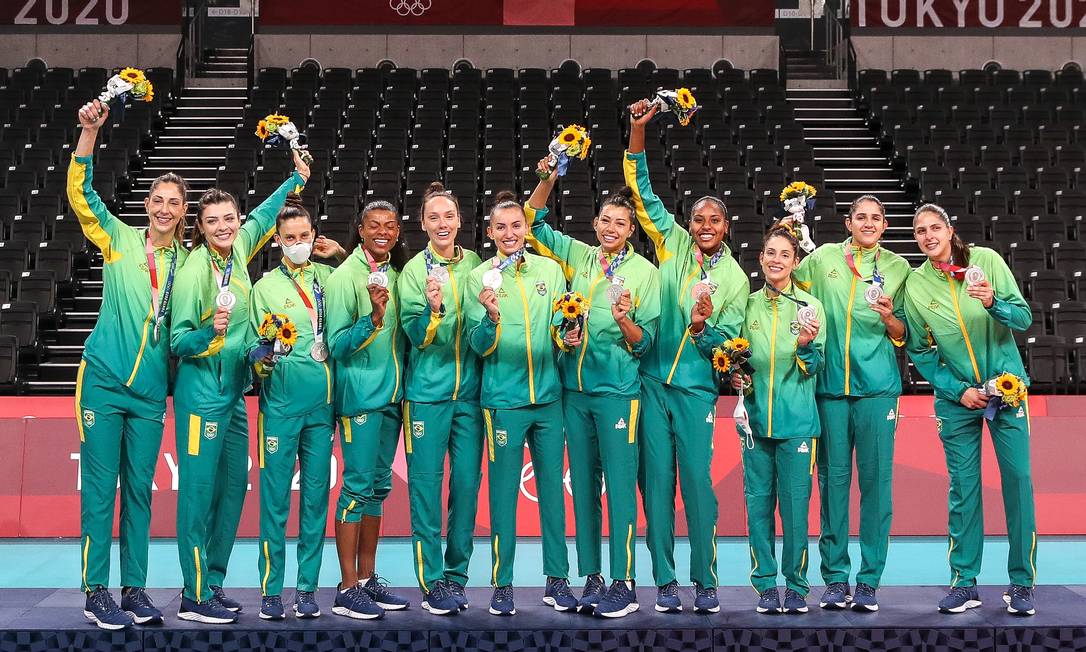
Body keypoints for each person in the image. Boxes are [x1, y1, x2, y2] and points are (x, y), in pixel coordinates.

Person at [170, 152, 310, 624]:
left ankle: (213, 583)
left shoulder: (240, 247)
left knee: (233, 491)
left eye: (230, 218)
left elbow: (266, 213)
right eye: (214, 221)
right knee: (197, 494)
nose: (225, 226)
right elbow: (177, 340)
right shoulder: (193, 269)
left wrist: (294, 178)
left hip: (233, 396)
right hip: (200, 397)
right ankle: (192, 595)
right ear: (201, 227)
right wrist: (211, 330)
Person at [624, 99, 749, 614]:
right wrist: (637, 130)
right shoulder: (671, 244)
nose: (704, 224)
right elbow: (641, 190)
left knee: (698, 488)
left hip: (696, 392)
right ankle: (665, 583)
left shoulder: (737, 279)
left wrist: (703, 330)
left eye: (713, 219)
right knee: (656, 489)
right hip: (652, 386)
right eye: (698, 217)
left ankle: (706, 581)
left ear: (726, 226)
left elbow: (732, 348)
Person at [69, 99, 190, 630]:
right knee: (100, 490)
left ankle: (134, 589)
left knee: (139, 492)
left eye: (174, 203)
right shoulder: (117, 239)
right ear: (147, 204)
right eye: (158, 199)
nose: (165, 208)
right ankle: (97, 591)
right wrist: (89, 134)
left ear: (184, 212)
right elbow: (80, 194)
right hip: (101, 381)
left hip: (148, 395)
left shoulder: (188, 264)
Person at [528, 169, 661, 619]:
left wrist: (624, 319)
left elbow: (646, 343)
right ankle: (593, 577)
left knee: (622, 488)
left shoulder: (645, 274)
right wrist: (547, 176)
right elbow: (532, 221)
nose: (611, 229)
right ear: (596, 222)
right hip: (574, 392)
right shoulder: (578, 258)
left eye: (621, 224)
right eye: (605, 220)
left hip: (618, 393)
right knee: (584, 488)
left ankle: (624, 581)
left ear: (631, 230)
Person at [902, 203, 1037, 616]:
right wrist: (958, 390)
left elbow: (1025, 318)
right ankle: (965, 582)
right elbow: (920, 351)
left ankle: (1022, 584)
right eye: (920, 231)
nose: (928, 236)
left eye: (934, 227)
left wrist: (994, 301)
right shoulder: (915, 285)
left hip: (1006, 390)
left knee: (1017, 482)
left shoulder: (987, 262)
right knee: (964, 489)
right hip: (957, 400)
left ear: (949, 230)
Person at [790, 195, 911, 613]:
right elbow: (787, 284)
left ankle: (869, 581)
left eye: (876, 217)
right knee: (832, 486)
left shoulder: (898, 268)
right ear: (848, 222)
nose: (868, 223)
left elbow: (904, 332)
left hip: (877, 391)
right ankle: (836, 579)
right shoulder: (822, 259)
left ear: (885, 225)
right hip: (829, 390)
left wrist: (890, 317)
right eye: (861, 217)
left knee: (877, 488)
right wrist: (789, 230)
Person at [465, 188, 577, 617]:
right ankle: (503, 584)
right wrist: (491, 318)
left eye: (517, 225)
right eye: (501, 227)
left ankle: (557, 580)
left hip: (549, 400)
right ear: (490, 232)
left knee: (552, 493)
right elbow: (478, 345)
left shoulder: (550, 270)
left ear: (527, 229)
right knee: (503, 499)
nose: (510, 233)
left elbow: (558, 329)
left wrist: (567, 339)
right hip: (503, 403)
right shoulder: (481, 278)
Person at [246, 195, 336, 620]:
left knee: (316, 502)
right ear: (277, 242)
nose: (297, 243)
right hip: (280, 409)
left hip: (322, 411)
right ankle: (269, 591)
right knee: (275, 503)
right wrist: (264, 357)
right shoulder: (263, 288)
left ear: (313, 236)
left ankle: (306, 589)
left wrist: (338, 254)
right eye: (289, 238)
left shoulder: (330, 280)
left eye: (304, 236)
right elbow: (253, 351)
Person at [396, 183, 484, 615]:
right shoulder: (414, 271)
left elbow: (486, 327)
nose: (442, 224)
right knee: (426, 491)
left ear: (460, 220)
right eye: (433, 217)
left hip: (469, 398)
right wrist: (432, 311)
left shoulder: (478, 266)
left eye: (448, 216)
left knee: (466, 488)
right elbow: (414, 335)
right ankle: (432, 581)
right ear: (423, 223)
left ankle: (456, 576)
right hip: (426, 398)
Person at [732, 225, 825, 615]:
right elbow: (734, 358)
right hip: (754, 425)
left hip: (798, 425)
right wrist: (735, 375)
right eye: (770, 252)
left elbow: (816, 364)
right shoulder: (746, 305)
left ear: (795, 261)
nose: (776, 260)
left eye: (784, 254)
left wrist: (804, 345)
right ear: (761, 258)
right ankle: (766, 586)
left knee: (795, 511)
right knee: (757, 508)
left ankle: (798, 587)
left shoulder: (809, 307)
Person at [325, 200, 412, 619]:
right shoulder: (345, 279)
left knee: (379, 489)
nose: (383, 232)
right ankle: (346, 586)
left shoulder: (398, 274)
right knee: (357, 488)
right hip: (360, 397)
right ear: (360, 230)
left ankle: (367, 578)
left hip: (391, 400)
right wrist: (373, 319)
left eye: (390, 226)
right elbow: (337, 346)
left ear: (398, 232)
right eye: (374, 225)